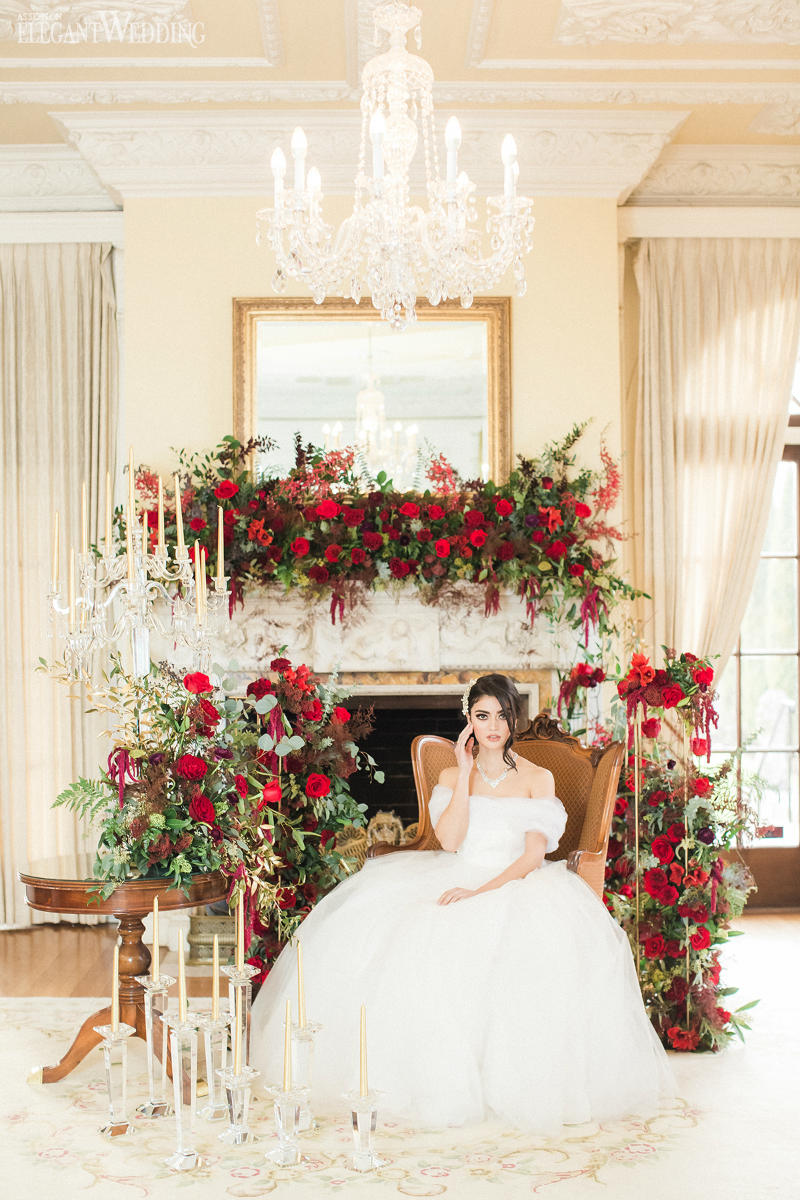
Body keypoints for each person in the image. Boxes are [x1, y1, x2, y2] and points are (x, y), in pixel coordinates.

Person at [250, 673, 674, 1132]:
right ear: (469, 720)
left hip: (517, 880)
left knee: (501, 943)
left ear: (514, 718)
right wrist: (466, 770)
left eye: (502, 715)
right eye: (482, 716)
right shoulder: (455, 775)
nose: (493, 725)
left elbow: (534, 855)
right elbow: (450, 842)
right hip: (456, 870)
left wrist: (481, 892)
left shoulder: (538, 777)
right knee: (404, 937)